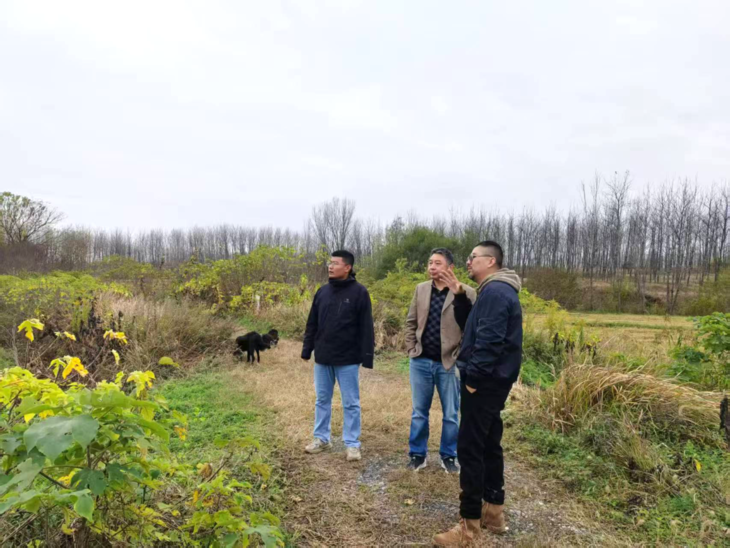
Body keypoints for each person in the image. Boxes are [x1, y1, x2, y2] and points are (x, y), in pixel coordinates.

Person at [433, 241, 523, 547]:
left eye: (473, 257)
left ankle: (468, 530)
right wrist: (459, 295)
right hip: (493, 382)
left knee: (470, 449)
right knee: (489, 444)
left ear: (491, 261)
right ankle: (493, 513)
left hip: (483, 384)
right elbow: (473, 327)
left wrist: (473, 380)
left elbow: (489, 341)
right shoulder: (495, 290)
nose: (468, 262)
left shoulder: (495, 292)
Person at [404, 248, 476, 473]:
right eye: (430, 262)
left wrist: (460, 356)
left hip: (449, 363)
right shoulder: (421, 289)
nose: (432, 267)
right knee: (419, 412)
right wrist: (411, 348)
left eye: (437, 263)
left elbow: (471, 329)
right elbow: (411, 322)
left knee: (451, 414)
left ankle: (449, 455)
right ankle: (417, 454)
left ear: (450, 267)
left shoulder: (467, 292)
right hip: (421, 361)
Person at [301, 250, 375, 462]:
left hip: (348, 359)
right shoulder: (322, 292)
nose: (330, 266)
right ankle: (321, 438)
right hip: (323, 357)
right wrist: (307, 349)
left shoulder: (359, 292)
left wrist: (367, 356)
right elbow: (312, 323)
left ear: (347, 267)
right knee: (322, 399)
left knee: (351, 403)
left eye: (335, 263)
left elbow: (366, 326)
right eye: (330, 263)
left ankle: (352, 444)